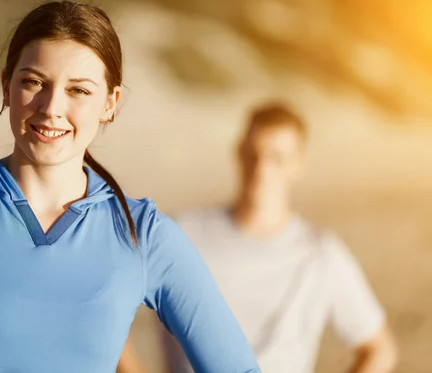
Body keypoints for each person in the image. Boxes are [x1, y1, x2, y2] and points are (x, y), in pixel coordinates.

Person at [0, 0, 260, 373]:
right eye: (33, 82)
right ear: (6, 86)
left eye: (79, 90)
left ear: (110, 104)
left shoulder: (144, 236)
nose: (52, 108)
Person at [151, 102, 397, 373]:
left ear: (298, 165)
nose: (261, 169)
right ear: (238, 153)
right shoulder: (181, 232)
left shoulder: (320, 254)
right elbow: (103, 294)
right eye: (254, 155)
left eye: (277, 158)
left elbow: (379, 349)